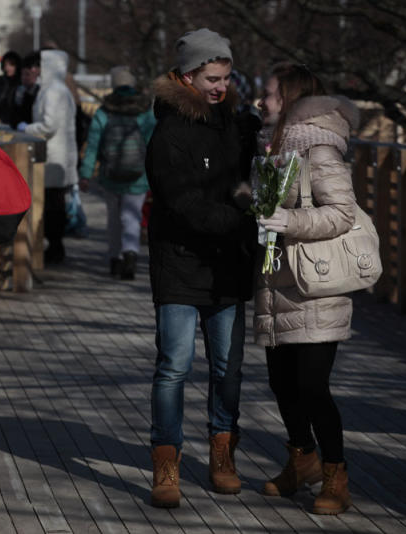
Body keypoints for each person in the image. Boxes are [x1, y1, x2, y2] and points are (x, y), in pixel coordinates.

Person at [145, 28, 257, 507]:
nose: (220, 85)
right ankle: (166, 461)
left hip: (227, 264)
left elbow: (244, 177)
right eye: (212, 77)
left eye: (226, 76)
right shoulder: (168, 132)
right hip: (180, 262)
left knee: (227, 370)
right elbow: (181, 202)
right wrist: (239, 218)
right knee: (173, 366)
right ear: (187, 76)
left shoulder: (234, 121)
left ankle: (222, 450)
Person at [255, 63, 359, 515]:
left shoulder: (320, 151)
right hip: (276, 281)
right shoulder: (274, 150)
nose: (262, 101)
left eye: (270, 95)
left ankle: (336, 475)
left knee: (312, 385)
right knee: (281, 382)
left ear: (292, 101)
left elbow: (342, 213)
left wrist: (289, 221)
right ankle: (303, 459)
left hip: (316, 285)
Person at [79, 65, 155, 280]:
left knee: (113, 219)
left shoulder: (105, 111)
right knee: (132, 216)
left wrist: (85, 175)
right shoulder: (144, 111)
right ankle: (130, 254)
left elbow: (93, 145)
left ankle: (115, 259)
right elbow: (152, 145)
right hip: (138, 176)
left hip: (110, 175)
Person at [17, 49, 78, 264]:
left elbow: (49, 125)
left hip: (53, 156)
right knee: (54, 203)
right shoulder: (57, 89)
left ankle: (55, 246)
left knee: (52, 204)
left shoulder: (53, 91)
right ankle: (54, 245)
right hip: (57, 155)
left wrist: (27, 128)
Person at [4, 52, 40, 129]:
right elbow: (13, 114)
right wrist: (18, 123)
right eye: (22, 74)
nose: (24, 77)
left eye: (27, 74)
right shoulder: (19, 91)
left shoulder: (39, 92)